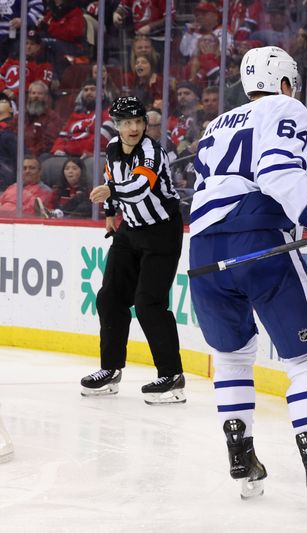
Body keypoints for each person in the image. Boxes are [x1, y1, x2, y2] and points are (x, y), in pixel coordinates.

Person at [188, 46, 307, 512]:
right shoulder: (286, 106)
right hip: (256, 240)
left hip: (202, 253)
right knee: (306, 357)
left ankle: (241, 458)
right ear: (285, 81)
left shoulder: (215, 124)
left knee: (231, 357)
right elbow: (278, 173)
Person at [79, 96, 185, 405]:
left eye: (139, 121)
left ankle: (172, 377)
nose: (134, 127)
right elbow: (112, 178)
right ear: (117, 126)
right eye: (127, 123)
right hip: (130, 231)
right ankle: (110, 370)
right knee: (110, 297)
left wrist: (111, 193)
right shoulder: (113, 147)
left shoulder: (151, 151)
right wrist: (111, 213)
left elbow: (141, 187)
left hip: (162, 231)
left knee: (149, 303)